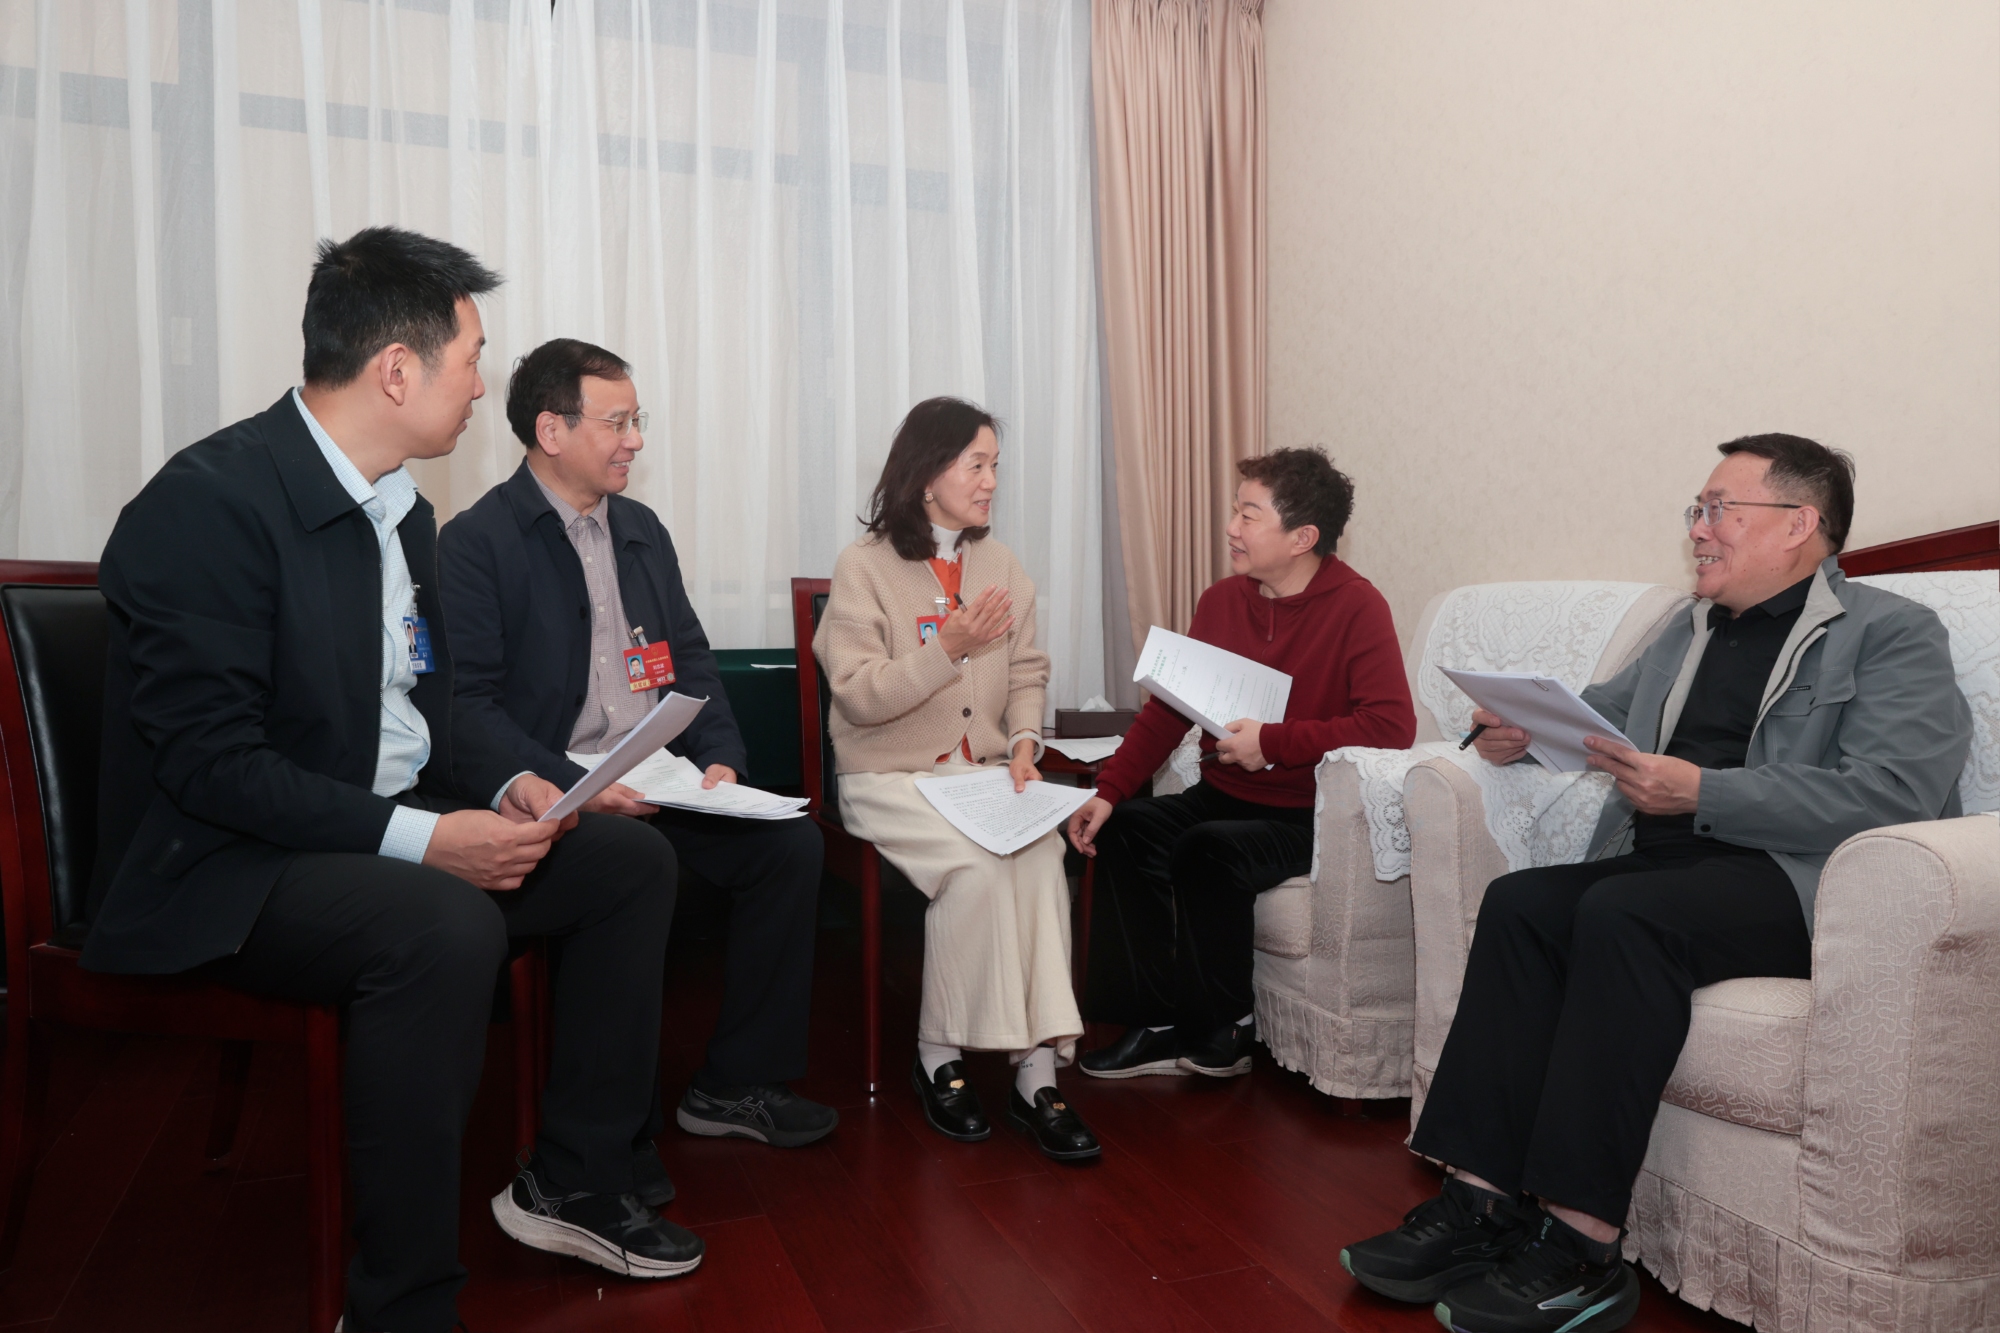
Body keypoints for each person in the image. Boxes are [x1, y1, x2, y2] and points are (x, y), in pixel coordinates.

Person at [84, 228, 703, 1333]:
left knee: (626, 862)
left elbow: (428, 710)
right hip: (226, 860)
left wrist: (511, 786)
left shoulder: (402, 513)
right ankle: (399, 1307)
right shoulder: (208, 503)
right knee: (440, 923)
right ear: (398, 370)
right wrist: (426, 840)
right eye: (472, 358)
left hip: (361, 824)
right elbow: (211, 765)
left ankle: (573, 1179)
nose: (482, 386)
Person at [1340, 435, 1972, 1333]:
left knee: (1623, 911)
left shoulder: (1891, 631)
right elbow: (1600, 719)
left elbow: (1894, 791)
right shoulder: (1689, 625)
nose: (1699, 530)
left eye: (1718, 510)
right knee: (1523, 904)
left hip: (1797, 883)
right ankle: (1479, 1202)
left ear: (1799, 524)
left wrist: (1706, 792)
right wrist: (1522, 732)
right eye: (1697, 512)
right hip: (1670, 864)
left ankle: (1581, 1248)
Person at [437, 337, 835, 1155]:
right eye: (617, 422)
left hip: (659, 777)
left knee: (790, 847)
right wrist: (572, 784)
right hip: (557, 793)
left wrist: (721, 757)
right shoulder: (477, 542)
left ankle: (736, 1083)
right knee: (633, 859)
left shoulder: (641, 529)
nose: (636, 440)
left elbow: (690, 658)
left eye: (636, 419)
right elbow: (467, 709)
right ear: (551, 430)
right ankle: (611, 1139)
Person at [1066, 448, 1417, 1078]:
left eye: (1249, 516)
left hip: (1306, 812)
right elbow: (1168, 711)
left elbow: (1391, 726)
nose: (1231, 527)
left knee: (1210, 849)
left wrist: (1273, 743)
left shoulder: (1358, 607)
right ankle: (1155, 1022)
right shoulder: (1222, 601)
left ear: (1302, 537)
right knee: (1128, 827)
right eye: (1236, 511)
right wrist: (1109, 791)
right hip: (1224, 793)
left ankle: (1227, 1027)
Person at [813, 397, 1098, 1162]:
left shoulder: (1001, 566)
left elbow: (1028, 671)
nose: (991, 481)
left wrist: (1026, 743)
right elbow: (858, 694)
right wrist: (949, 647)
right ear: (926, 472)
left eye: (995, 465)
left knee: (1040, 854)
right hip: (888, 777)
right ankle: (939, 1056)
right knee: (975, 867)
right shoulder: (865, 565)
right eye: (976, 464)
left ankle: (1036, 1075)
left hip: (979, 777)